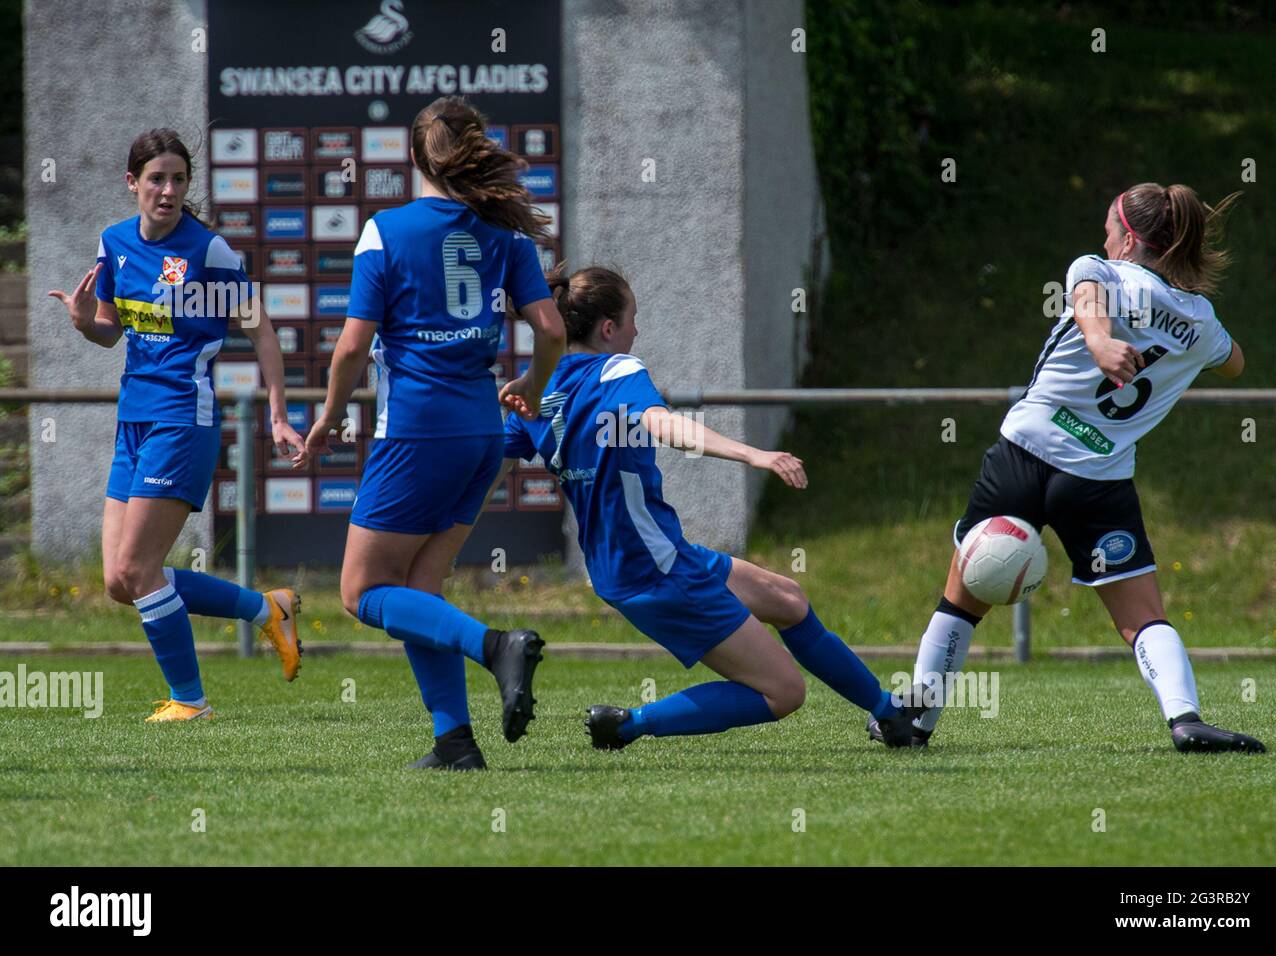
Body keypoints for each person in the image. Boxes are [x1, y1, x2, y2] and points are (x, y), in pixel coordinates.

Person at [876, 182, 1265, 753]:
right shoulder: (1201, 320)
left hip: (1023, 453)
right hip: (1097, 479)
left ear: (1128, 238)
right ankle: (1186, 720)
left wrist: (1104, 342)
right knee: (1142, 616)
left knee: (962, 593)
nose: (1104, 234)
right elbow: (1235, 364)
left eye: (1111, 225)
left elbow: (1085, 300)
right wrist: (1185, 329)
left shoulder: (1098, 269)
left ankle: (917, 719)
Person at [500, 265, 925, 750]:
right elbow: (665, 425)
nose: (638, 330)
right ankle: (627, 723)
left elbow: (491, 462)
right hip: (655, 571)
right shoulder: (616, 371)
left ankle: (890, 715)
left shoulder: (536, 390)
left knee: (786, 599)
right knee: (784, 691)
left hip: (643, 560)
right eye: (633, 317)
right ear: (608, 328)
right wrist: (753, 454)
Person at [294, 97, 567, 771]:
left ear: (414, 157)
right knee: (418, 590)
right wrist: (531, 388)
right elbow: (554, 330)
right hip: (483, 433)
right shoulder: (507, 234)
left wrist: (328, 416)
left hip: (416, 433)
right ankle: (455, 741)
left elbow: (352, 348)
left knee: (359, 593)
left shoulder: (386, 230)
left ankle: (495, 647)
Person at [49, 129, 305, 722]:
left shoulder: (207, 252)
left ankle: (191, 702)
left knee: (139, 570)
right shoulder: (113, 243)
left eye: (179, 179)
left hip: (182, 420)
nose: (167, 190)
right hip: (133, 421)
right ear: (132, 182)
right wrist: (85, 323)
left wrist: (279, 414)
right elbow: (111, 330)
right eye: (156, 178)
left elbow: (261, 329)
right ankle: (268, 610)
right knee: (120, 580)